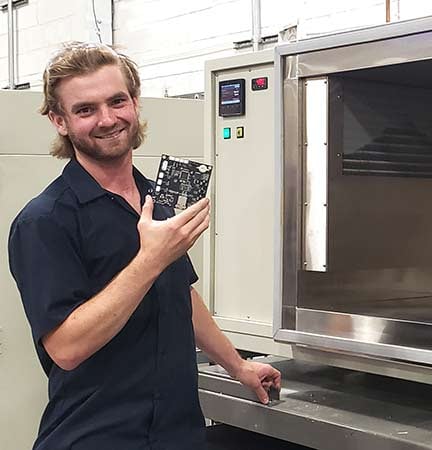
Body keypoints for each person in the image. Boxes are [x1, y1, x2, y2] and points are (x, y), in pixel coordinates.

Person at [7, 42, 281, 450]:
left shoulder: (156, 200)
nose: (107, 119)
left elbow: (180, 295)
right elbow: (66, 347)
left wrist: (238, 366)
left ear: (134, 103)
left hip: (177, 433)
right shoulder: (45, 221)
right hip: (98, 437)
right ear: (59, 121)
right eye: (85, 110)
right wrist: (150, 259)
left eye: (117, 101)